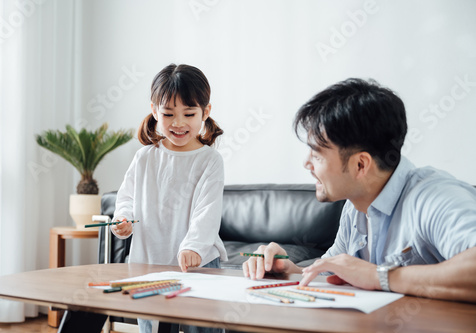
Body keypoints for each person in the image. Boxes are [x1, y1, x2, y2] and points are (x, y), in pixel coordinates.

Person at [242, 78, 476, 303]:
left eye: (316, 154)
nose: (307, 163)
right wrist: (289, 271)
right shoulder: (355, 206)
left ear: (360, 165)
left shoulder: (433, 197)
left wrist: (379, 276)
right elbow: (334, 273)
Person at [112, 63, 227, 333]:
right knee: (151, 327)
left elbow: (207, 211)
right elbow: (125, 198)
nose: (178, 123)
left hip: (198, 263)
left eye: (189, 114)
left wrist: (193, 248)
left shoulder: (209, 160)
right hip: (149, 260)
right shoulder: (144, 157)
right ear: (154, 110)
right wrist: (122, 219)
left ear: (205, 112)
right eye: (168, 114)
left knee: (202, 327)